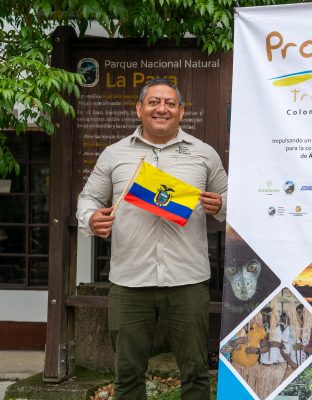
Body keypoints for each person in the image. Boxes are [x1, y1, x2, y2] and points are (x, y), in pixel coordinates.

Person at [77, 78, 228, 400]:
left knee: (196, 372)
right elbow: (88, 198)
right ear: (139, 109)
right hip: (130, 280)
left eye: (170, 103)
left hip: (188, 279)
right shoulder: (114, 154)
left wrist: (221, 205)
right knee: (127, 375)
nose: (162, 109)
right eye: (154, 102)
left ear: (181, 111)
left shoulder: (204, 154)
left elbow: (230, 198)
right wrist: (90, 218)